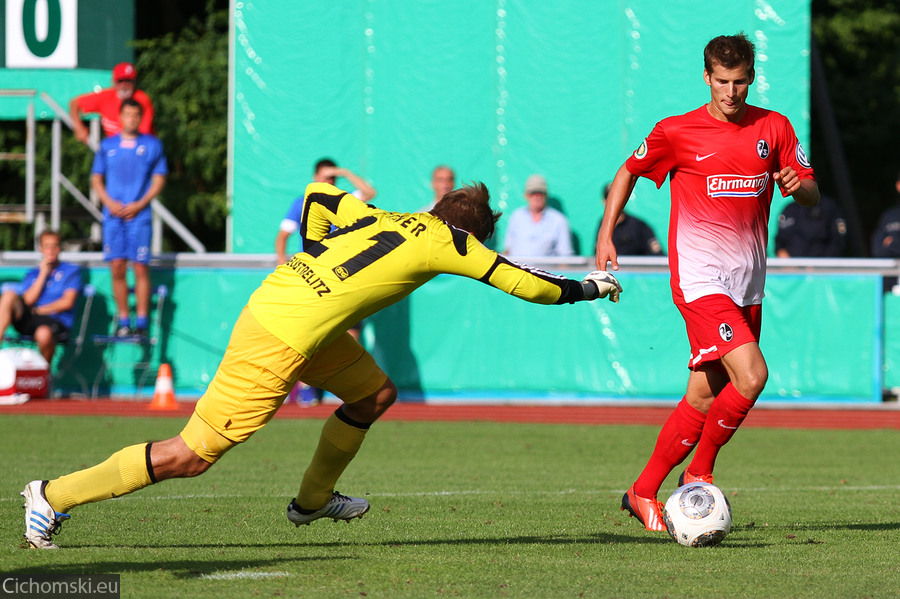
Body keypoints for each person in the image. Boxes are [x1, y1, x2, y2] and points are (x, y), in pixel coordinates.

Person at [20, 181, 622, 549]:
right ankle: (52, 495)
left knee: (373, 395)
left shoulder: (389, 218)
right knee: (191, 456)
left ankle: (312, 501)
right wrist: (591, 289)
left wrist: (314, 259)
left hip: (295, 315)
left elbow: (317, 198)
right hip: (282, 335)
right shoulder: (453, 241)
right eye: (483, 238)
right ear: (473, 232)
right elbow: (531, 286)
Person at [595, 33, 819, 531]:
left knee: (703, 395)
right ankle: (699, 472)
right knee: (753, 376)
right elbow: (627, 171)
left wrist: (797, 186)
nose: (731, 92)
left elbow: (811, 193)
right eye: (722, 81)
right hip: (700, 282)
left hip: (747, 284)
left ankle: (642, 490)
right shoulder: (678, 131)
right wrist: (605, 234)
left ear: (751, 77)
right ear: (707, 78)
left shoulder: (774, 127)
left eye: (740, 82)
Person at [90, 98, 168, 337]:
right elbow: (96, 178)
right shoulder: (107, 146)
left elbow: (159, 178)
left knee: (140, 267)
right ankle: (124, 320)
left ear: (140, 118)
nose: (132, 119)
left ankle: (141, 322)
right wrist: (109, 202)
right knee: (117, 267)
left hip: (139, 216)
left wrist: (140, 203)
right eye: (127, 114)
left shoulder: (151, 145)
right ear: (120, 117)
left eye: (136, 115)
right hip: (113, 217)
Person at [0, 231, 83, 364]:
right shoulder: (33, 273)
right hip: (30, 319)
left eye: (54, 246)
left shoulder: (71, 271)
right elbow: (28, 301)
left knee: (43, 333)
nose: (51, 250)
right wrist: (43, 274)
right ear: (41, 249)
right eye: (47, 246)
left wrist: (39, 310)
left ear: (60, 248)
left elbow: (67, 302)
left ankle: (43, 376)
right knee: (8, 295)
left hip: (55, 320)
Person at [275, 158, 377, 265]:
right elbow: (283, 236)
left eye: (332, 177)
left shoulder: (344, 200)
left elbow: (369, 193)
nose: (329, 181)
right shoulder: (300, 203)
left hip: (340, 262)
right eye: (325, 177)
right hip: (312, 262)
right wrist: (281, 262)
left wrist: (345, 172)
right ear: (315, 177)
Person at [69, 62, 154, 145]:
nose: (124, 85)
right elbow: (75, 103)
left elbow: (143, 135)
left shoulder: (142, 100)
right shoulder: (106, 97)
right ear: (114, 82)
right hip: (114, 150)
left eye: (128, 81)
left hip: (140, 148)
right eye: (120, 81)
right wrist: (79, 127)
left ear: (134, 82)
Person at [503, 174, 574, 258]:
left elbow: (566, 256)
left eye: (540, 193)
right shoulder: (516, 216)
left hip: (545, 270)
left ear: (546, 195)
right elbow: (508, 249)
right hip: (517, 269)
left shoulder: (559, 220)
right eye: (532, 193)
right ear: (526, 195)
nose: (537, 196)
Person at [594, 182, 663, 256]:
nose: (614, 202)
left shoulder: (638, 225)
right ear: (604, 201)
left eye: (618, 197)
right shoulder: (602, 225)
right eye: (610, 199)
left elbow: (657, 257)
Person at [774, 194, 847, 257]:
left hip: (822, 269)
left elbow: (838, 243)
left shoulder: (829, 207)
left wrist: (819, 265)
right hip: (791, 269)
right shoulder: (790, 209)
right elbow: (780, 243)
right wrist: (789, 264)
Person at [870, 170, 900, 257]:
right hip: (892, 270)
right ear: (898, 186)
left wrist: (891, 244)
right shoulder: (889, 216)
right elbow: (878, 250)